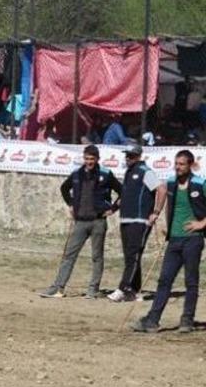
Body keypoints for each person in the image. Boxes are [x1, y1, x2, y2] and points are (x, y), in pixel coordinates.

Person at [132, 150, 206, 333]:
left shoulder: (200, 183)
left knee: (191, 281)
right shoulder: (171, 183)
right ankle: (152, 320)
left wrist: (201, 223)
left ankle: (187, 321)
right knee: (164, 280)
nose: (178, 167)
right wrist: (157, 213)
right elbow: (162, 190)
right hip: (174, 240)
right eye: (176, 163)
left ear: (190, 165)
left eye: (182, 164)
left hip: (193, 240)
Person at [40, 144, 123, 299]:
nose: (89, 162)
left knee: (97, 256)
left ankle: (93, 289)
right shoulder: (77, 174)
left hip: (98, 221)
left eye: (92, 159)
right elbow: (64, 188)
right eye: (86, 158)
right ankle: (58, 288)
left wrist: (113, 209)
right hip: (80, 222)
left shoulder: (106, 174)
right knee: (69, 255)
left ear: (97, 159)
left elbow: (122, 191)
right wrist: (71, 204)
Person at [107, 143, 161, 302]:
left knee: (133, 254)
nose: (127, 158)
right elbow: (125, 195)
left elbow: (161, 189)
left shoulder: (145, 171)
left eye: (130, 155)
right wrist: (113, 209)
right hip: (126, 218)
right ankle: (133, 290)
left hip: (140, 219)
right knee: (130, 256)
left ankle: (123, 288)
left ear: (138, 156)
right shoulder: (129, 172)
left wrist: (156, 212)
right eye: (126, 155)